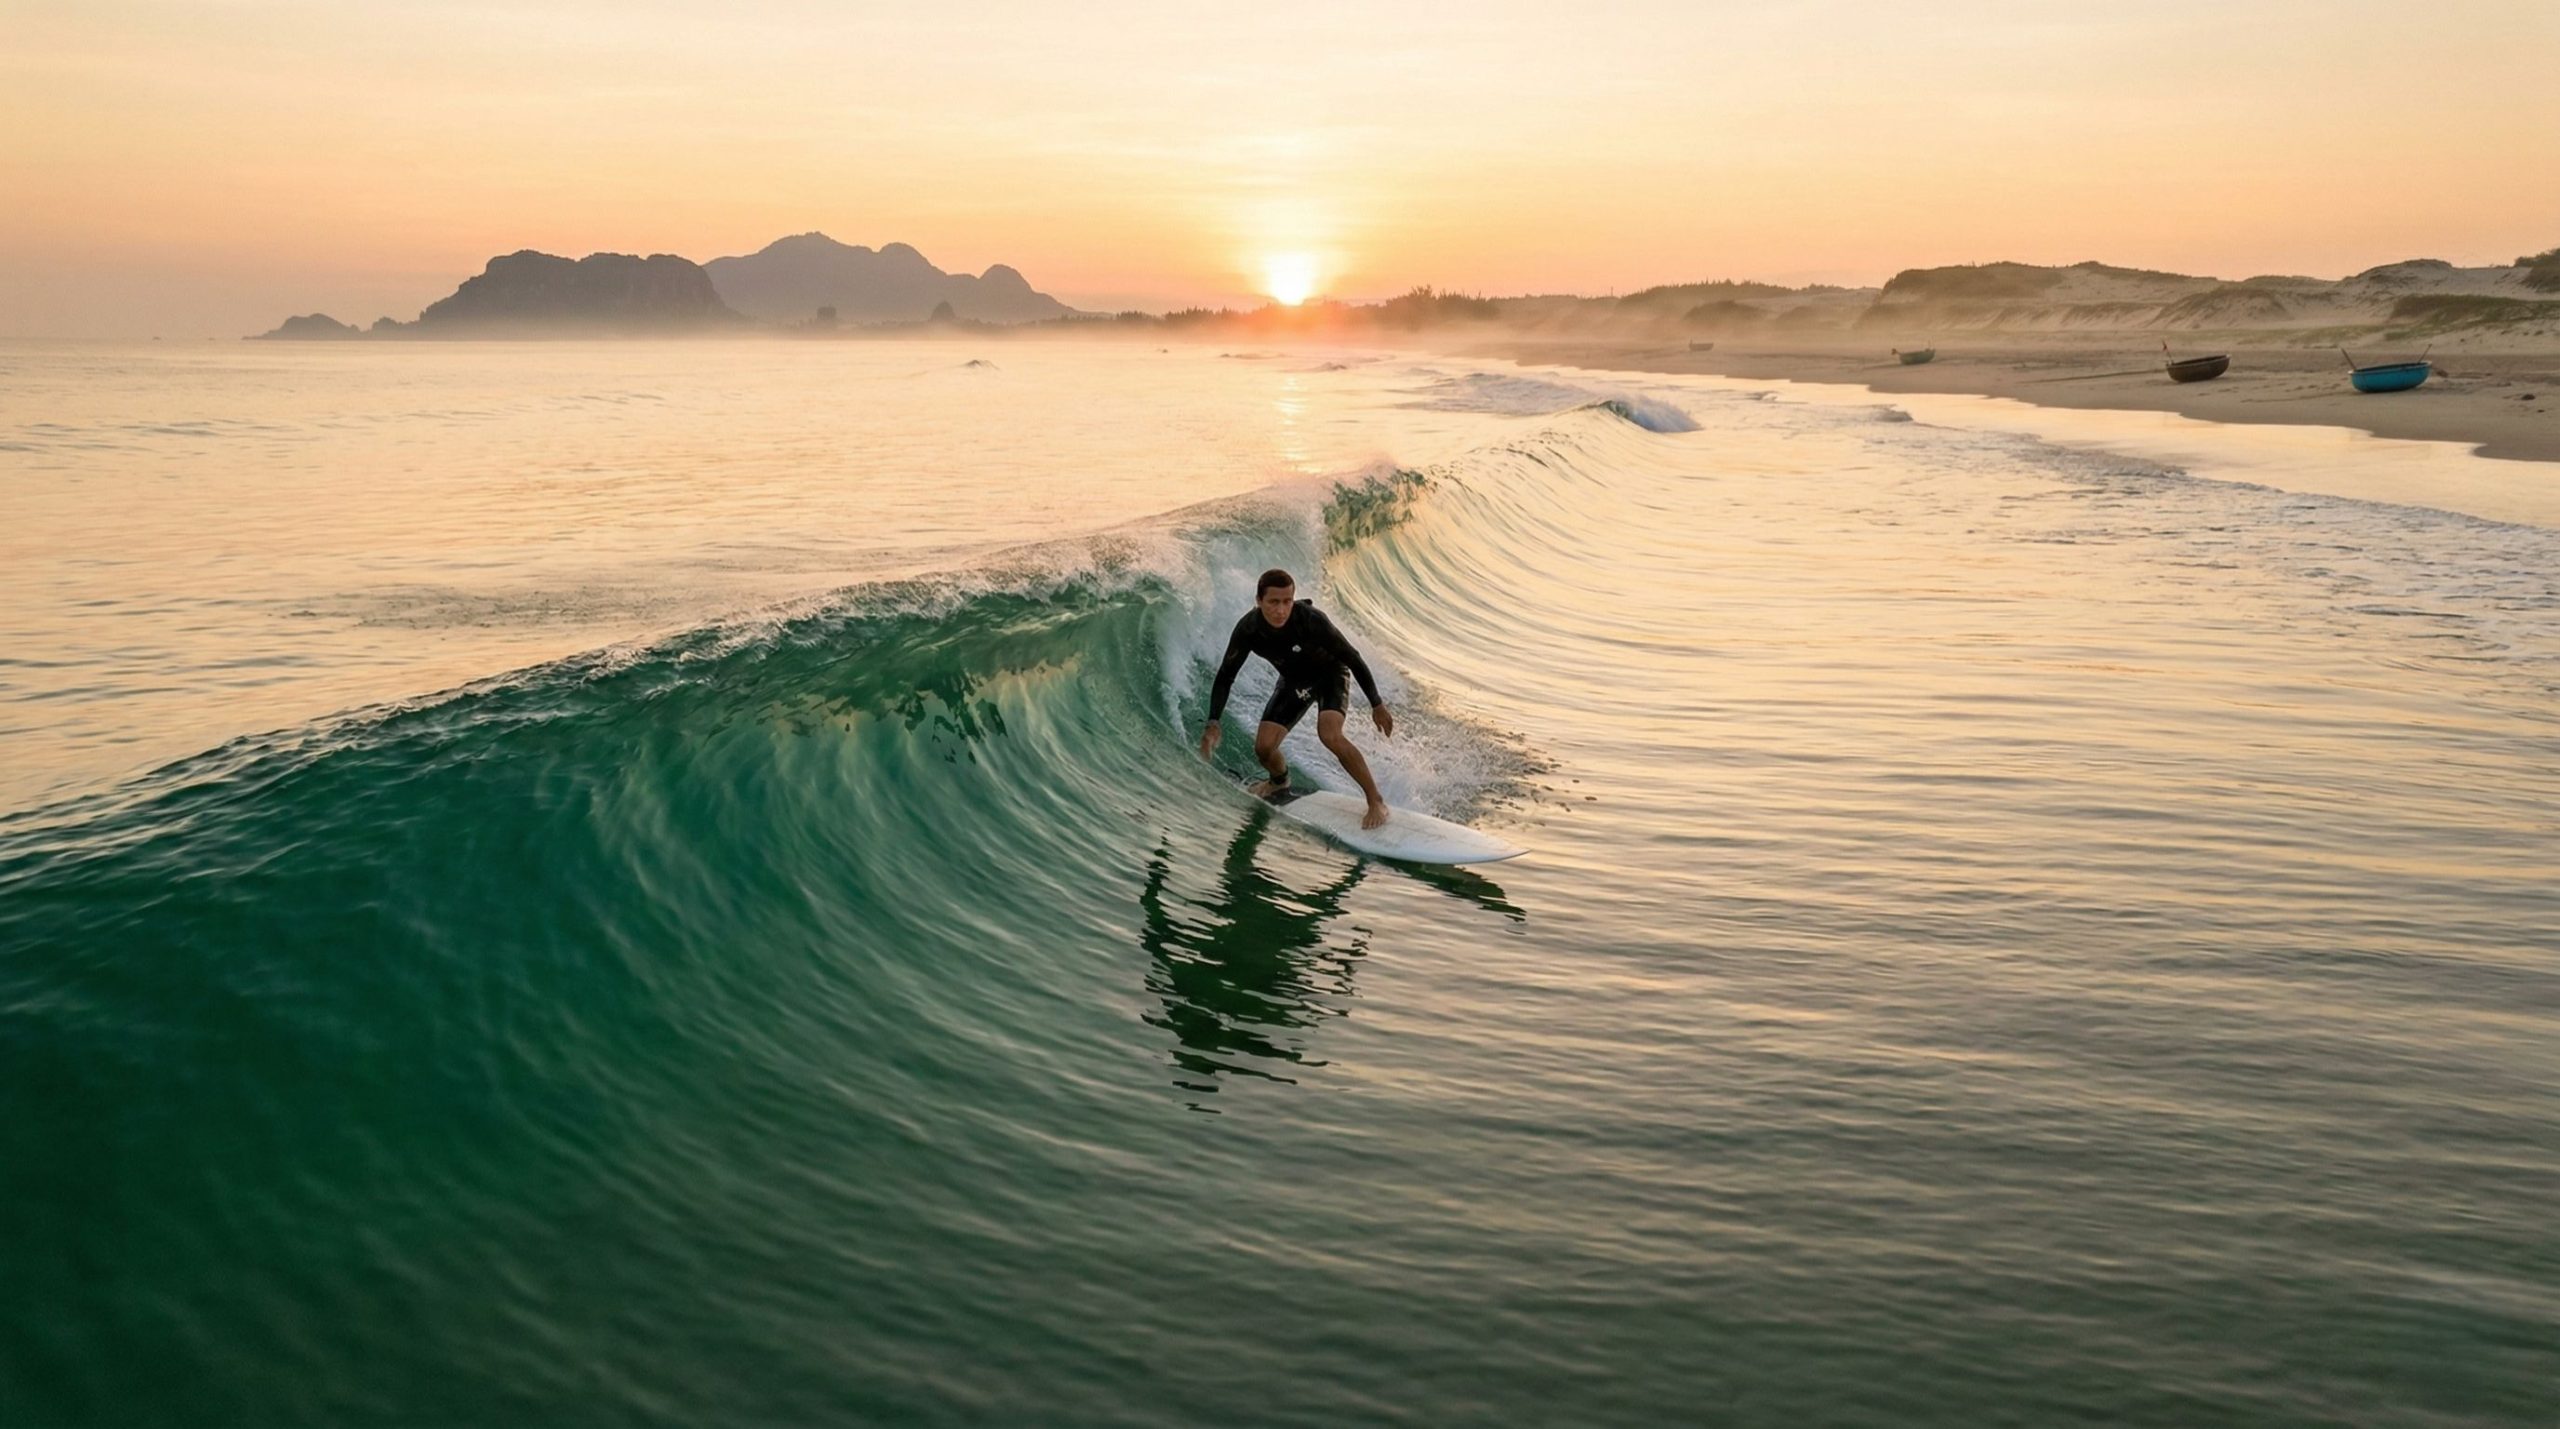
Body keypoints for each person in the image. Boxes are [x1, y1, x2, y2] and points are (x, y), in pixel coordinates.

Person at [1196, 568, 1396, 828]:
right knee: (1264, 748)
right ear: (1258, 601)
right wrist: (1213, 723)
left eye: (1287, 601)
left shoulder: (1311, 620)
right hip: (1295, 681)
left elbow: (1352, 657)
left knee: (1330, 734)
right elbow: (1225, 675)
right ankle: (1279, 782)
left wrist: (1376, 703)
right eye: (1273, 602)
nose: (1281, 610)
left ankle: (1375, 800)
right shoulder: (1249, 629)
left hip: (1330, 674)